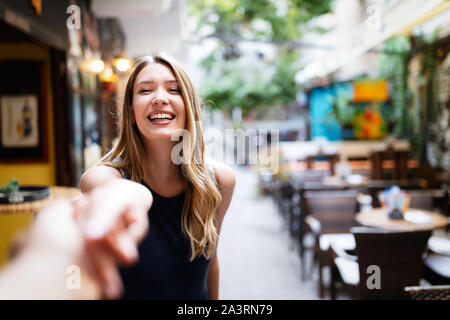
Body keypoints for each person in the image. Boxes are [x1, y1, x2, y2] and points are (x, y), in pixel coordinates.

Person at [80, 53, 236, 300]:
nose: (160, 98)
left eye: (174, 90)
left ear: (189, 107)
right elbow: (119, 194)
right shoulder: (104, 178)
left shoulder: (219, 181)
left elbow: (210, 264)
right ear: (131, 113)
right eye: (145, 91)